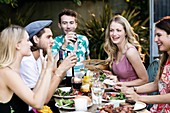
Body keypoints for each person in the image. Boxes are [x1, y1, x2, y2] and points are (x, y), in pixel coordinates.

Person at [20, 20, 77, 113]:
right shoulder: (26, 62)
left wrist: (63, 65)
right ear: (35, 39)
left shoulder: (40, 54)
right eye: (48, 37)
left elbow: (52, 72)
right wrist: (61, 69)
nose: (52, 40)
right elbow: (43, 99)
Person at [0, 25, 53, 113]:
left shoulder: (13, 70)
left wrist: (44, 71)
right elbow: (38, 104)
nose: (31, 44)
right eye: (28, 40)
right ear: (17, 45)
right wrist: (49, 70)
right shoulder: (6, 72)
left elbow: (33, 97)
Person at [123, 16, 170, 113]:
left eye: (159, 35)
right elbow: (156, 85)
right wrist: (133, 90)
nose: (155, 39)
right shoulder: (165, 58)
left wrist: (139, 98)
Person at [103, 15, 148, 87]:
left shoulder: (130, 52)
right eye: (111, 30)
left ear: (126, 32)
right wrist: (113, 77)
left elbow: (144, 79)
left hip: (135, 95)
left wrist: (120, 83)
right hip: (121, 93)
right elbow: (123, 77)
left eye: (118, 30)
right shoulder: (116, 50)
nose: (114, 34)